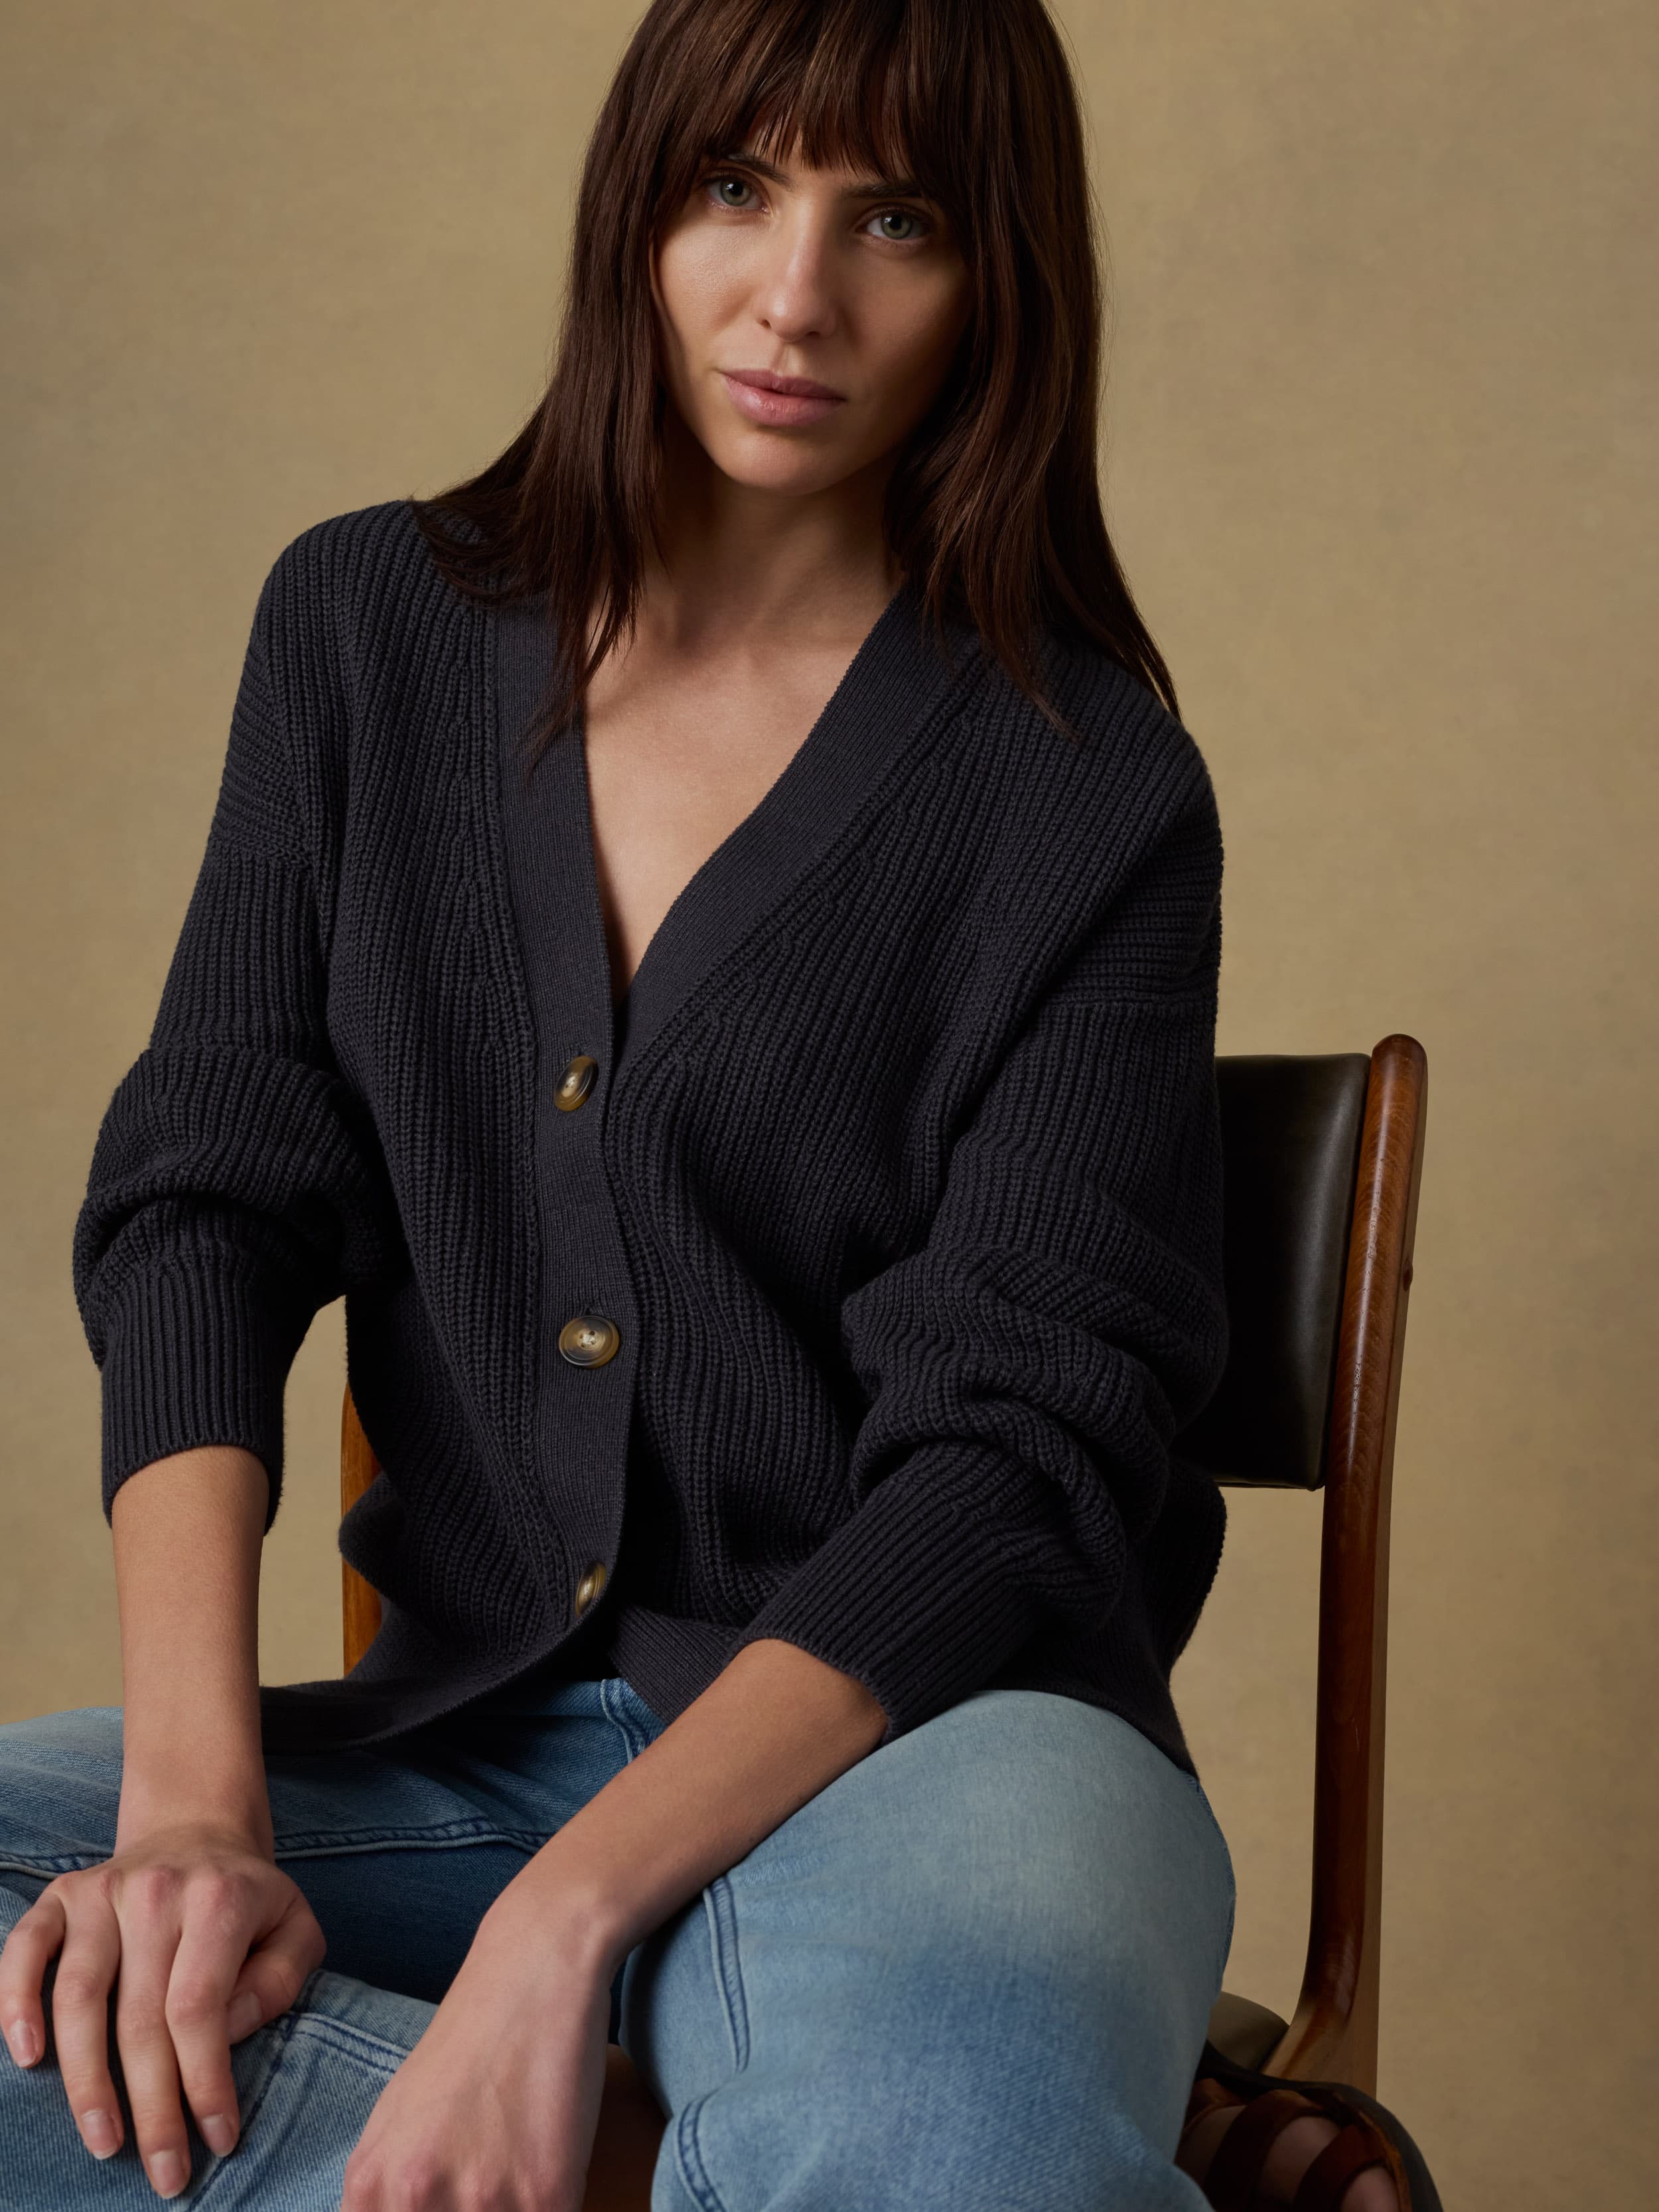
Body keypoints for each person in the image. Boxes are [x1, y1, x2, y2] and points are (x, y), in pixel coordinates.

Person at [0, 1, 1422, 2205]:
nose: (796, 296)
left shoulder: (1084, 791)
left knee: (943, 2143)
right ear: (636, 212)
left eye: (900, 221)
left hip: (941, 1744)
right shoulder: (362, 628)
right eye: (734, 187)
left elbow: (1014, 1453)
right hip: (459, 1740)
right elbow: (206, 1196)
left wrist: (553, 1939)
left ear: (997, 282)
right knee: (66, 1945)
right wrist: (193, 1821)